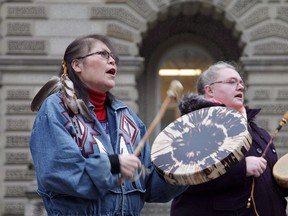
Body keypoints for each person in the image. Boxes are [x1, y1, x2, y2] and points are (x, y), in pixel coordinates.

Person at [29, 34, 186, 215]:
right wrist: (113, 164)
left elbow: (149, 185)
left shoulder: (129, 119)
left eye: (113, 58)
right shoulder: (57, 109)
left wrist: (182, 168)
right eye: (103, 54)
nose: (112, 61)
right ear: (77, 65)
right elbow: (59, 171)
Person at [170, 61, 288, 216]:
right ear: (210, 90)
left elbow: (269, 187)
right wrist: (241, 168)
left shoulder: (260, 134)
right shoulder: (192, 127)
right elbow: (183, 178)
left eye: (241, 83)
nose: (240, 87)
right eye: (232, 82)